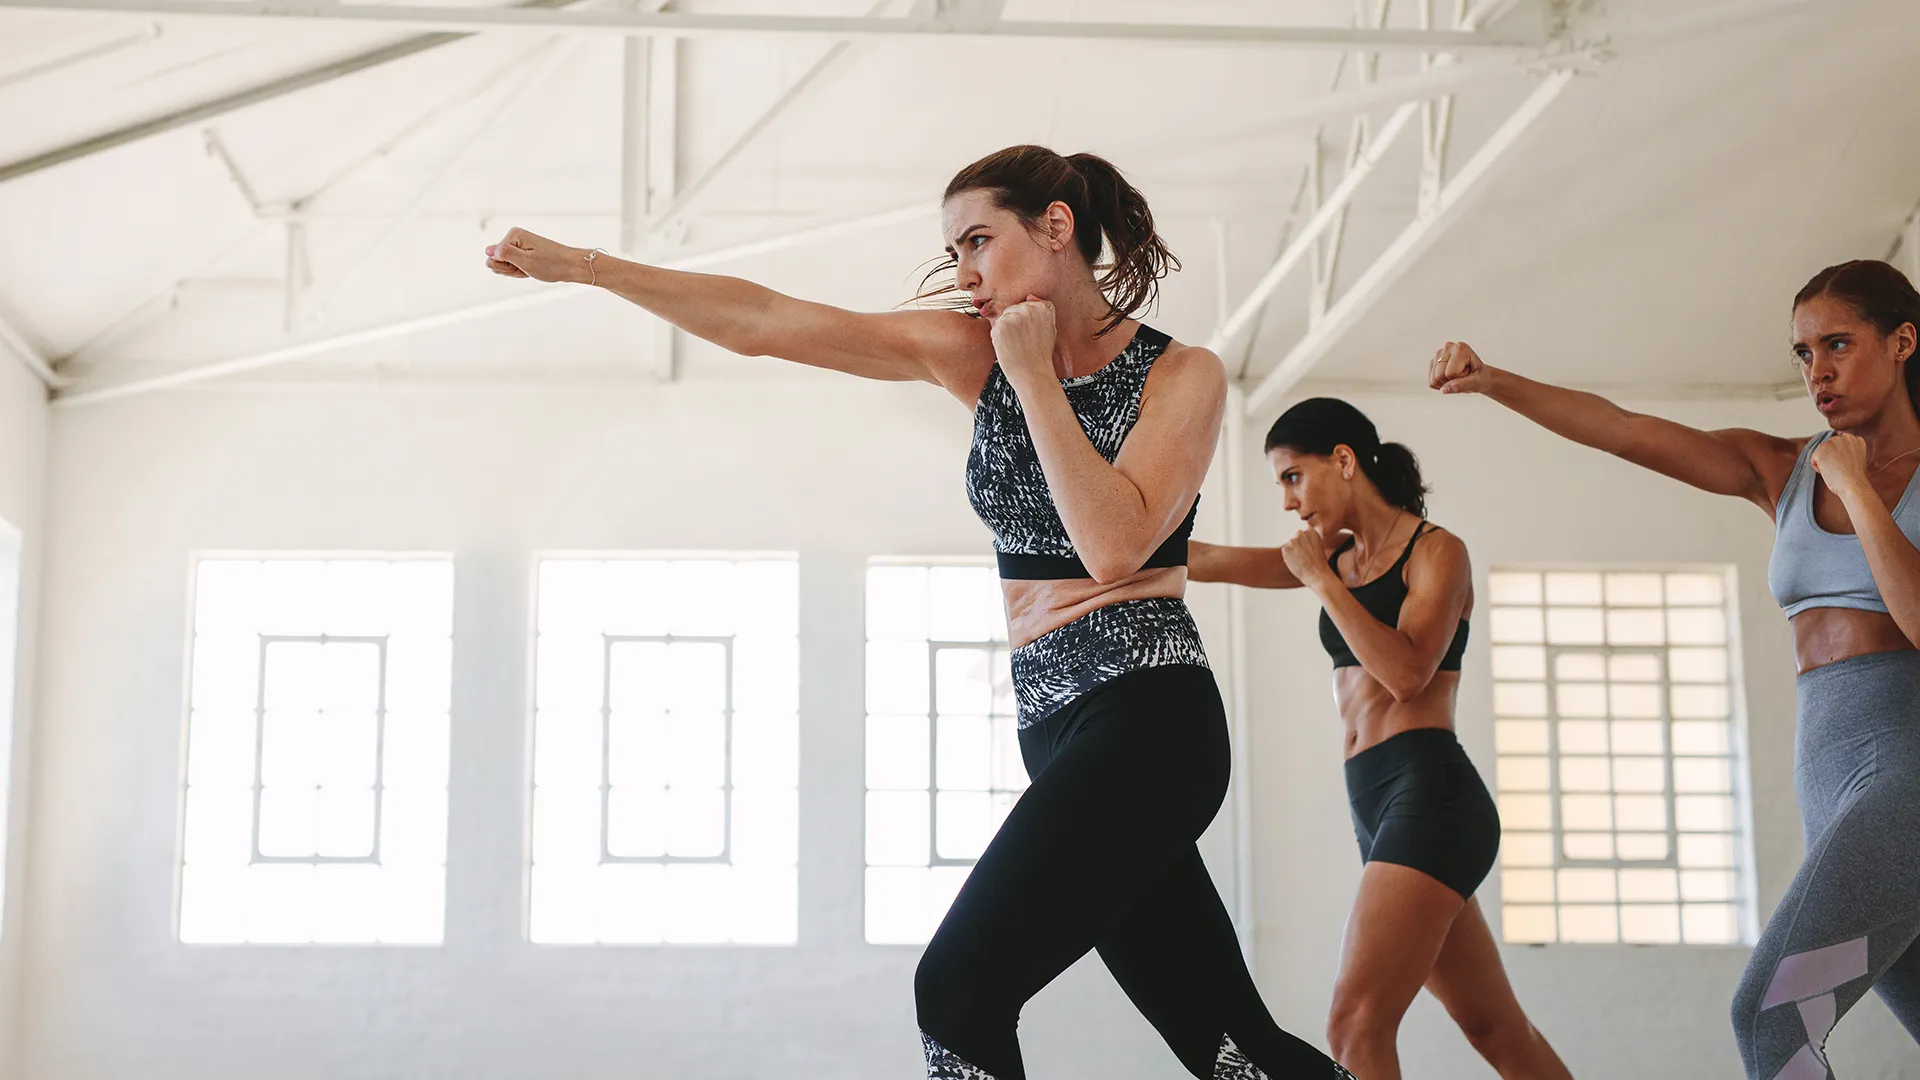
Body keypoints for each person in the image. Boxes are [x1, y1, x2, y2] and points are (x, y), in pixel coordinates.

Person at [485, 145, 1350, 1079]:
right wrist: (586, 268)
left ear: (1055, 227)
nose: (966, 273)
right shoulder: (969, 352)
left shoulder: (1181, 374)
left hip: (1149, 719)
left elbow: (1112, 546)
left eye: (980, 241)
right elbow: (767, 321)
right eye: (955, 252)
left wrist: (1033, 381)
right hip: (1054, 730)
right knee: (1235, 1051)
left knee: (958, 990)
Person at [1428, 259, 1920, 1078]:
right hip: (1832, 796)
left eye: (1838, 343)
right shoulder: (1781, 469)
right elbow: (1622, 427)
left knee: (1770, 1021)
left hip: (1904, 780)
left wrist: (1861, 488)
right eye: (1802, 353)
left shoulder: (1851, 472)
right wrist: (1495, 382)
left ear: (1903, 341)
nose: (1817, 371)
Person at [1189, 398, 1572, 1080]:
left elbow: (1405, 672)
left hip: (1432, 796)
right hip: (1376, 803)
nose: (1287, 501)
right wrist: (1098, 544)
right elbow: (1210, 558)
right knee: (1495, 1027)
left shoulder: (1437, 551)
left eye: (1292, 476)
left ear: (1342, 460)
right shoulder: (1334, 558)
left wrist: (1318, 580)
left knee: (1354, 1021)